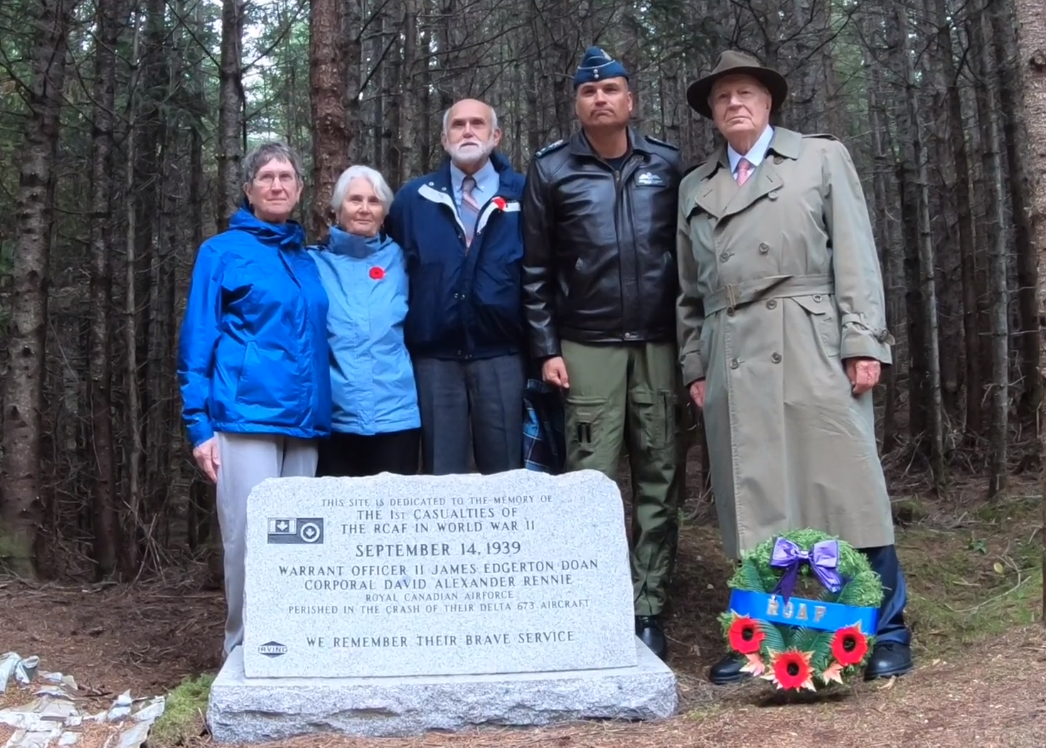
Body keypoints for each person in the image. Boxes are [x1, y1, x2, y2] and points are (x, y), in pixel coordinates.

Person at [676, 50, 913, 684]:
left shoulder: (819, 158)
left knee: (845, 489)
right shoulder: (695, 188)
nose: (735, 104)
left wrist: (863, 341)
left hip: (811, 337)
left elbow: (856, 255)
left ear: (769, 101)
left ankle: (882, 630)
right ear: (712, 113)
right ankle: (762, 639)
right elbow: (689, 292)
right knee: (756, 503)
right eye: (722, 97)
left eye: (746, 92)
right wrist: (696, 363)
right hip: (732, 351)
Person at [522, 46, 684, 661]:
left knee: (660, 473)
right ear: (577, 103)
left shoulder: (666, 164)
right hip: (584, 344)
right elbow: (534, 268)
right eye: (589, 92)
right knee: (589, 477)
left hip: (659, 342)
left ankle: (647, 607)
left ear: (630, 100)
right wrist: (545, 348)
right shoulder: (553, 169)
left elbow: (687, 259)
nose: (601, 100)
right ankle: (591, 604)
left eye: (611, 89)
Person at [177, 141, 331, 658]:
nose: (277, 185)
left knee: (299, 543)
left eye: (286, 176)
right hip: (245, 418)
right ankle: (240, 650)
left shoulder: (308, 260)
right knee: (247, 539)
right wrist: (199, 427)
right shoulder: (221, 252)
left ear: (300, 188)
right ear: (248, 189)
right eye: (265, 177)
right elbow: (198, 341)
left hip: (304, 423)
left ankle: (290, 646)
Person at [386, 98, 528, 476]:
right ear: (444, 139)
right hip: (435, 359)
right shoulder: (413, 200)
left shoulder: (525, 195)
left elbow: (543, 273)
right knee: (441, 478)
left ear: (495, 135)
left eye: (477, 124)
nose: (468, 131)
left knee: (507, 477)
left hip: (502, 355)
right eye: (458, 125)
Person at [307, 165, 420, 476]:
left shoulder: (403, 260)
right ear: (337, 209)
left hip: (396, 418)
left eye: (374, 201)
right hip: (334, 421)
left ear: (384, 212)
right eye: (355, 200)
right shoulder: (312, 264)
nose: (364, 209)